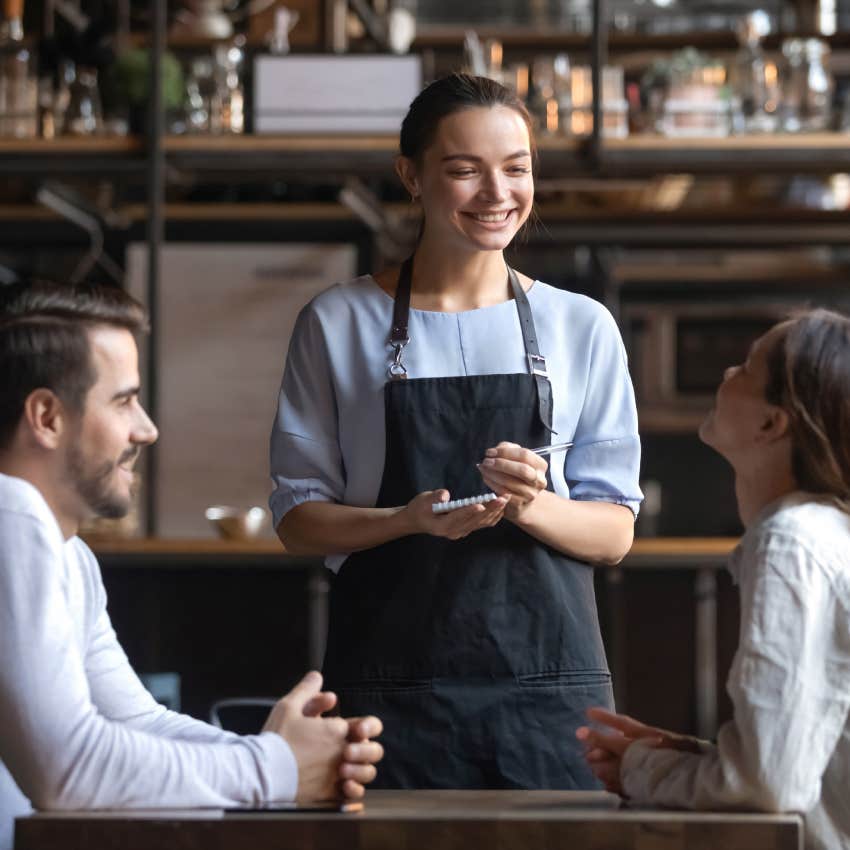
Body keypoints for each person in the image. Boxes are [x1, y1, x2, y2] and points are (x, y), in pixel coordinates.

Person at [270, 73, 643, 789]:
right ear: (411, 175)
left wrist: (534, 505)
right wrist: (404, 521)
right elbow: (298, 519)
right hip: (388, 695)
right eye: (464, 170)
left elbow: (616, 531)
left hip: (548, 696)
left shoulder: (581, 326)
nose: (497, 193)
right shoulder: (338, 322)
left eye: (516, 168)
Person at [0, 279, 384, 850]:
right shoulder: (12, 515)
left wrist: (288, 754)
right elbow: (69, 767)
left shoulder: (67, 553)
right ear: (47, 417)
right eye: (124, 400)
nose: (146, 429)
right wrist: (275, 768)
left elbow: (135, 721)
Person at [576, 309, 850, 850]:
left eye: (746, 368)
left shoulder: (790, 543)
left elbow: (767, 785)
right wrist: (695, 755)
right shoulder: (823, 530)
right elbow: (804, 752)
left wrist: (642, 771)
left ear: (772, 424)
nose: (727, 374)